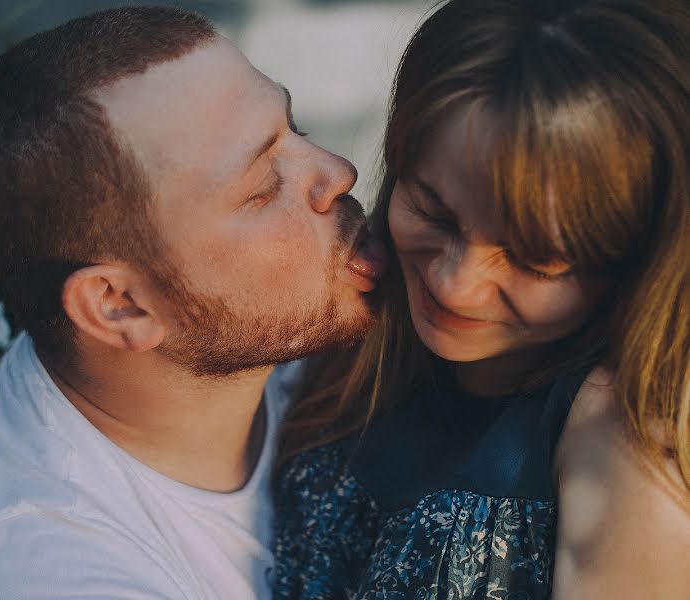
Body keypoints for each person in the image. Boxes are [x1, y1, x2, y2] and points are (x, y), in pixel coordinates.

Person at [0, 6, 389, 600]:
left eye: (292, 128)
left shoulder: (225, 333)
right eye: (263, 187)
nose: (338, 172)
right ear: (119, 305)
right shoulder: (44, 573)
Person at [274, 0, 690, 597]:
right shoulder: (338, 324)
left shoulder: (622, 439)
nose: (453, 285)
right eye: (432, 210)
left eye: (535, 258)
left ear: (641, 260)